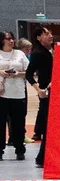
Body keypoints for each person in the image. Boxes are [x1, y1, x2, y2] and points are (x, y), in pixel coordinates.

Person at [25, 26, 54, 167]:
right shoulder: (38, 53)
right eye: (46, 33)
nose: (50, 35)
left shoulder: (55, 49)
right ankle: (41, 158)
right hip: (47, 94)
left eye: (50, 33)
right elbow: (28, 74)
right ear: (38, 37)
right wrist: (39, 90)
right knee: (48, 126)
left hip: (59, 92)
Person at [0, 31, 29, 160]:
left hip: (18, 94)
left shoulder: (20, 54)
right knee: (1, 124)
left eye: (12, 39)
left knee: (18, 123)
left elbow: (29, 72)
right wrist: (2, 72)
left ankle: (19, 149)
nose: (11, 41)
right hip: (2, 94)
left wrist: (17, 73)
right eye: (8, 39)